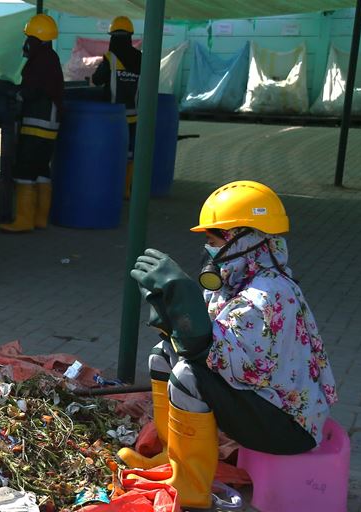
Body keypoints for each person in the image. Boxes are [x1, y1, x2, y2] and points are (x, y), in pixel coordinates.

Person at [122, 180, 337, 509]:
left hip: (288, 425)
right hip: (263, 400)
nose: (208, 249)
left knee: (187, 376)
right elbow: (192, 341)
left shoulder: (267, 294)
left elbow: (207, 354)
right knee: (162, 357)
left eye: (212, 240)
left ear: (243, 239)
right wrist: (167, 304)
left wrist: (183, 295)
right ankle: (173, 460)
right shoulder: (235, 279)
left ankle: (191, 488)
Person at [0, 13, 63, 233]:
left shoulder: (40, 61)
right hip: (49, 124)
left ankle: (24, 221)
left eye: (28, 38)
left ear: (36, 39)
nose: (25, 43)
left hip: (37, 124)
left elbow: (31, 92)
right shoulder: (50, 57)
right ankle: (40, 219)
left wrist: (10, 90)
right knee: (41, 170)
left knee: (25, 170)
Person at [90, 16, 140, 199]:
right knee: (129, 154)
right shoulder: (139, 57)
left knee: (112, 152)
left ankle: (110, 188)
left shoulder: (111, 58)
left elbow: (97, 79)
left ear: (113, 37)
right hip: (134, 115)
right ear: (129, 36)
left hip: (113, 116)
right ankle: (125, 191)